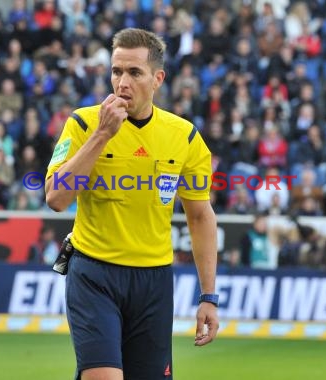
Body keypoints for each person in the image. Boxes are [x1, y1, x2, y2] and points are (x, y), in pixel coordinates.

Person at [45, 28, 219, 380]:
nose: (122, 82)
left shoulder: (183, 136)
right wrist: (102, 135)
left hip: (153, 281)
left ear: (157, 79)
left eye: (134, 73)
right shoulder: (83, 123)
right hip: (94, 273)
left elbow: (200, 217)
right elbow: (56, 198)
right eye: (116, 71)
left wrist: (209, 296)